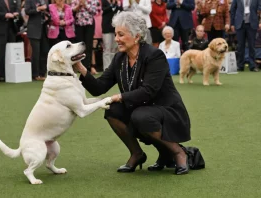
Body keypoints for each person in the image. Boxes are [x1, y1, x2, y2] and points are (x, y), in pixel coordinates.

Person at [74, 12, 191, 175]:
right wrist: (81, 68)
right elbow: (99, 87)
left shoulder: (154, 55)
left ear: (136, 36)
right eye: (115, 34)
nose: (116, 39)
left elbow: (148, 91)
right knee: (112, 109)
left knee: (139, 115)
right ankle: (137, 154)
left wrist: (120, 96)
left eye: (121, 34)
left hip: (166, 111)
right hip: (139, 108)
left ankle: (178, 152)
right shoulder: (119, 58)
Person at [0, 0, 21, 82]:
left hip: (12, 27)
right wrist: (5, 15)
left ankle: (12, 72)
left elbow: (17, 7)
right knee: (2, 51)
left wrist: (16, 13)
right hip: (1, 28)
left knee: (12, 51)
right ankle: (1, 74)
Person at [230, 0, 261, 72]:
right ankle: (240, 65)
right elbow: (232, 10)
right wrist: (232, 23)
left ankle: (253, 66)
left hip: (252, 24)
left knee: (252, 45)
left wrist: (260, 21)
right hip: (240, 24)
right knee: (240, 45)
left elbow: (260, 10)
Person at [25, 0, 50, 81]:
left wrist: (47, 14)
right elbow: (27, 11)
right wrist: (38, 8)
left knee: (45, 51)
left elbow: (48, 10)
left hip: (44, 28)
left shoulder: (45, 0)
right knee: (36, 52)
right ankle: (35, 74)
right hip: (34, 29)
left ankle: (42, 73)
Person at [101, 0, 122, 70]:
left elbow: (121, 11)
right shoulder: (103, 2)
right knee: (107, 49)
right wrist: (112, 5)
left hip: (115, 29)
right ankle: (107, 69)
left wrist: (116, 5)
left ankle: (114, 68)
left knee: (115, 49)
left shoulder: (117, 3)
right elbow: (103, 11)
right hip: (106, 28)